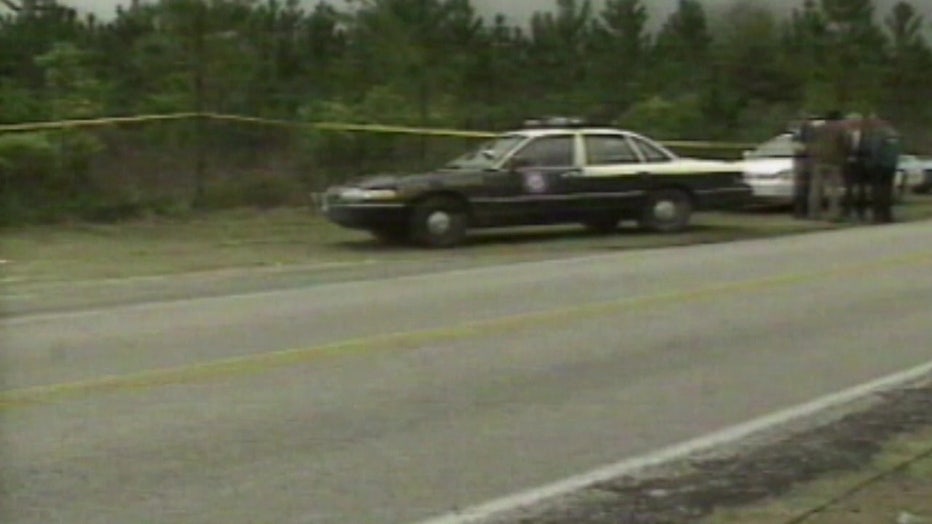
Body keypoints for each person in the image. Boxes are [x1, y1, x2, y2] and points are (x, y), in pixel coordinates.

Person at [856, 115, 901, 223]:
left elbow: (875, 150)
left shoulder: (878, 134)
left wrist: (871, 163)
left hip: (879, 166)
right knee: (887, 190)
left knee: (877, 191)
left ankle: (877, 215)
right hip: (891, 165)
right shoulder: (895, 134)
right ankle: (887, 215)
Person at [807, 111, 847, 221]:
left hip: (818, 160)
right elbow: (846, 144)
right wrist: (844, 156)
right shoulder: (840, 129)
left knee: (816, 189)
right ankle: (833, 214)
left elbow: (810, 143)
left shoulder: (818, 129)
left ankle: (813, 213)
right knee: (834, 190)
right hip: (834, 161)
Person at [791, 116, 821, 219]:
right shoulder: (807, 132)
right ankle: (801, 211)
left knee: (803, 188)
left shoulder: (801, 132)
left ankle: (801, 211)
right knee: (803, 188)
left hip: (803, 160)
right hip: (805, 160)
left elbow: (796, 146)